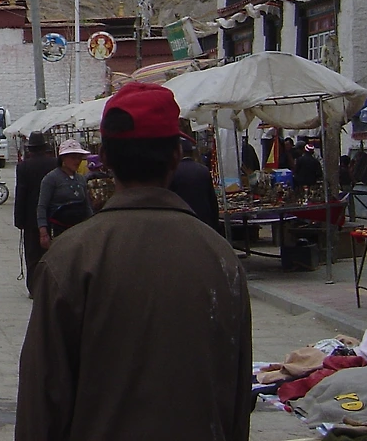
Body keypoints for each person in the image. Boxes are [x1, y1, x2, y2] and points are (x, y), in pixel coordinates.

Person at [16, 82, 252, 440]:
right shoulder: (221, 259)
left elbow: (42, 404)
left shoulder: (70, 259)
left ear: (105, 158)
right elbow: (236, 397)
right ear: (176, 156)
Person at [14, 131, 60, 293]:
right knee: (51, 252)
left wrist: (19, 220)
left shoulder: (23, 166)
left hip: (30, 216)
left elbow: (21, 193)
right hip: (53, 215)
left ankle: (34, 287)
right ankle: (50, 286)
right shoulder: (55, 163)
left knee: (32, 253)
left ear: (31, 149)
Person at [36, 139, 94, 249]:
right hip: (60, 231)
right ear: (63, 158)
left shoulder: (81, 179)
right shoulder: (51, 179)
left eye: (79, 158)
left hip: (80, 231)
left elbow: (87, 205)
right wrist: (43, 232)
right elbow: (42, 206)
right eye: (73, 158)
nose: (77, 161)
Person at [169, 138, 222, 233]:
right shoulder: (203, 170)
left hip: (183, 221)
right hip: (204, 222)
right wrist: (215, 224)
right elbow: (212, 200)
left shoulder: (173, 172)